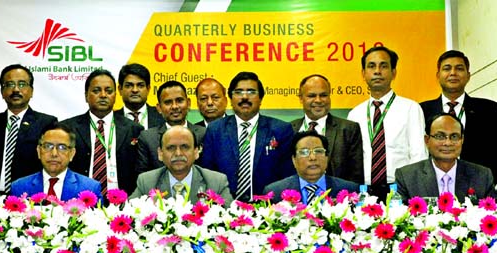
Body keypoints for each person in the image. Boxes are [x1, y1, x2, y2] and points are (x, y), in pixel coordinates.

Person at [200, 72, 294, 202]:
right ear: (231, 99)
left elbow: (288, 176)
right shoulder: (216, 130)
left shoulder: (281, 129)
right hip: (225, 208)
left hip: (269, 209)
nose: (244, 97)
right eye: (238, 92)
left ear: (261, 98)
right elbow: (207, 173)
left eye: (251, 92)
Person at [347, 46, 427, 197]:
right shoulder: (354, 114)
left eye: (383, 66)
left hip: (401, 189)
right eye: (371, 66)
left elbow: (419, 155)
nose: (377, 71)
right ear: (363, 74)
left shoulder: (410, 108)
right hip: (364, 191)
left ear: (394, 72)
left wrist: (414, 190)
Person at [420, 50, 497, 184]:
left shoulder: (488, 109)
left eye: (459, 68)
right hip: (432, 183)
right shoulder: (422, 110)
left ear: (468, 75)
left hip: (476, 184)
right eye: (447, 68)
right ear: (438, 75)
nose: (453, 73)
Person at [62, 69, 143, 195]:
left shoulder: (133, 129)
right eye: (96, 90)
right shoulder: (67, 128)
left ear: (115, 95)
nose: (103, 95)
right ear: (86, 95)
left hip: (122, 202)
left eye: (109, 91)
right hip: (78, 200)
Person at [0, 64, 57, 194]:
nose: (16, 89)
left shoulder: (46, 123)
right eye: (10, 84)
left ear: (31, 91)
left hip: (29, 197)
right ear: (2, 92)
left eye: (22, 84)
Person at [395, 114, 497, 203]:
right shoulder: (407, 177)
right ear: (427, 140)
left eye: (454, 137)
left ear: (462, 140)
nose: (447, 143)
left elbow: (496, 216)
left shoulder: (482, 176)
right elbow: (400, 220)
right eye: (440, 136)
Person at [290, 74, 363, 184]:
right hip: (296, 198)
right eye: (311, 95)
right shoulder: (288, 129)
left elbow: (355, 174)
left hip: (337, 197)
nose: (318, 100)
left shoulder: (348, 129)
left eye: (323, 95)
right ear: (301, 98)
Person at [131, 126, 232, 205]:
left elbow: (231, 219)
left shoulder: (216, 182)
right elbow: (130, 215)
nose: (178, 153)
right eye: (171, 148)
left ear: (196, 152)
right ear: (160, 153)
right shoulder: (146, 182)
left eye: (185, 147)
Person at [11, 124, 102, 200]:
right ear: (39, 151)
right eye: (47, 146)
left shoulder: (90, 189)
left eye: (62, 147)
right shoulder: (19, 187)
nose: (54, 154)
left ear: (72, 154)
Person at [264, 131, 359, 204]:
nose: (313, 157)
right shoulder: (275, 192)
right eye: (304, 152)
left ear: (326, 157)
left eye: (318, 151)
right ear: (294, 160)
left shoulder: (350, 190)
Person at [135, 80, 206, 174]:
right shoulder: (148, 138)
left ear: (188, 103)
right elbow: (142, 177)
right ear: (159, 108)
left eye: (179, 101)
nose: (175, 106)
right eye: (168, 102)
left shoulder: (204, 134)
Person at [112, 63, 165, 130]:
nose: (135, 90)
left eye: (140, 85)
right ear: (120, 89)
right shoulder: (111, 119)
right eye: (129, 85)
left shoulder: (162, 116)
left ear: (148, 89)